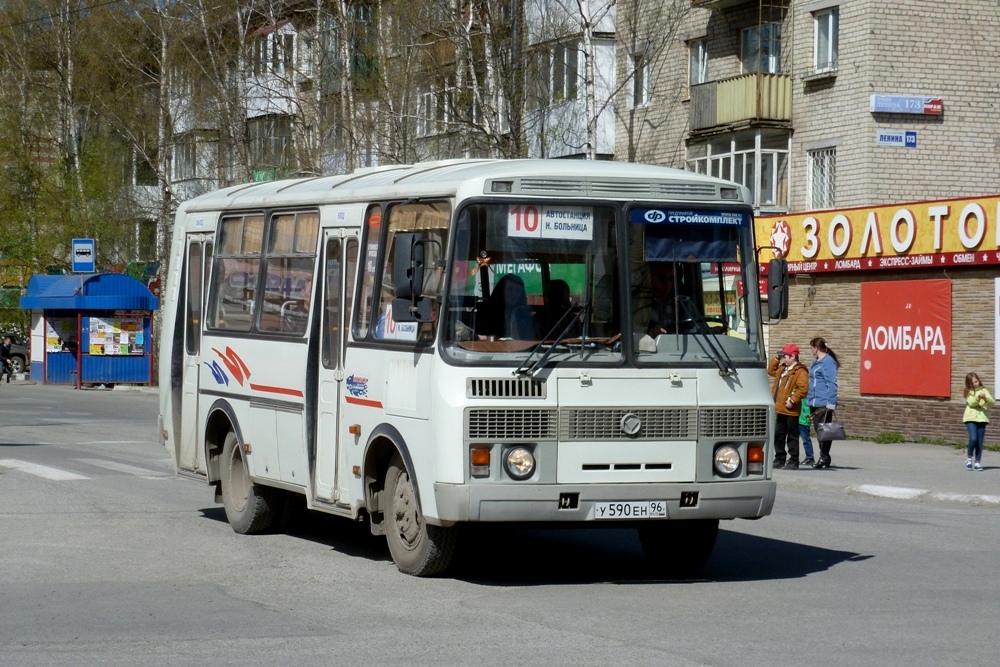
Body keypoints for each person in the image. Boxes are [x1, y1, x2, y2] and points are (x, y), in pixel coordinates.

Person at [767, 343, 809, 470]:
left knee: (792, 436)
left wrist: (793, 399)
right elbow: (770, 371)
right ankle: (780, 458)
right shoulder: (783, 368)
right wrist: (776, 358)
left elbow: (803, 389)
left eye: (785, 356)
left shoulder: (800, 371)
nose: (783, 358)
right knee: (778, 435)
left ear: (793, 356)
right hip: (780, 408)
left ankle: (793, 460)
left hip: (790, 409)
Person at [806, 337, 840, 469]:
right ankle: (824, 457)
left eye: (811, 347)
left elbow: (831, 383)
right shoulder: (816, 362)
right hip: (814, 401)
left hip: (823, 402)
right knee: (819, 430)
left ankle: (824, 457)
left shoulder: (828, 362)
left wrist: (831, 403)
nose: (811, 350)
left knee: (824, 431)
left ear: (816, 348)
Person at [962, 372, 994, 471]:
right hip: (970, 418)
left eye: (976, 381)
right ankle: (969, 458)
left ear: (979, 380)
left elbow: (992, 403)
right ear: (968, 384)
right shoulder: (968, 392)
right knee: (973, 439)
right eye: (972, 383)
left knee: (979, 442)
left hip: (982, 418)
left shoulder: (984, 390)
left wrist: (985, 398)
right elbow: (971, 403)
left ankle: (977, 462)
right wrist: (978, 397)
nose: (975, 384)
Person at [638, 263, 678, 337]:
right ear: (650, 277)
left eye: (671, 279)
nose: (667, 284)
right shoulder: (639, 304)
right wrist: (650, 330)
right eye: (662, 278)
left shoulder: (682, 304)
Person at [799, 402, 815, 467]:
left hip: (804, 420)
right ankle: (794, 457)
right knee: (793, 439)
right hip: (798, 419)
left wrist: (808, 417)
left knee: (806, 440)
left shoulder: (808, 396)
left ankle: (810, 457)